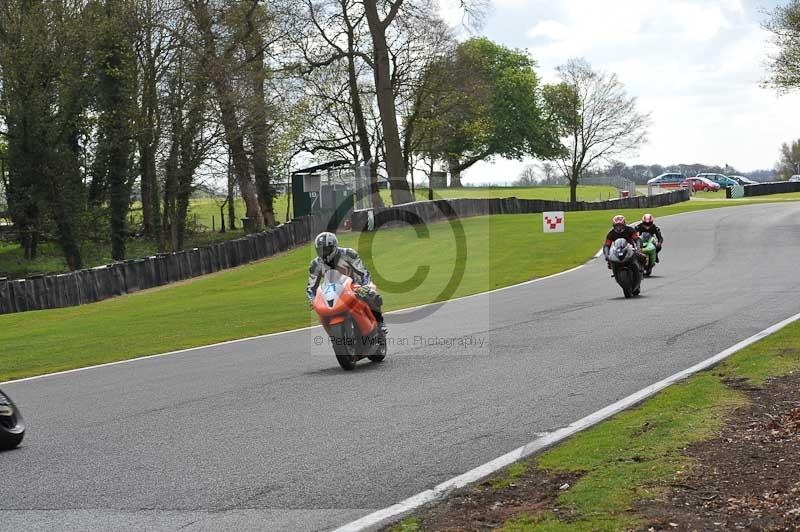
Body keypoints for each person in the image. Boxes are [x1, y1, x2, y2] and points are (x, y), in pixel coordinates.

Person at [307, 232, 387, 337]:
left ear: (334, 246)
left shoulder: (348, 254)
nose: (324, 253)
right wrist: (312, 299)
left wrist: (366, 286)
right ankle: (333, 337)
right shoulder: (315, 264)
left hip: (355, 285)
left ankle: (380, 323)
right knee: (320, 310)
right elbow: (311, 287)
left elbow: (363, 272)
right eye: (320, 250)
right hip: (332, 290)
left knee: (373, 294)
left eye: (326, 249)